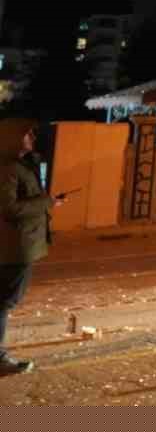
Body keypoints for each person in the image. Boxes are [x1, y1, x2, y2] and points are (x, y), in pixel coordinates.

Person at [1, 120, 68, 377]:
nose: (31, 136)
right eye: (26, 133)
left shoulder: (22, 164)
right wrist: (47, 202)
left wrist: (47, 201)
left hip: (20, 244)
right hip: (14, 247)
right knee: (5, 302)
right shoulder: (8, 169)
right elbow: (9, 208)